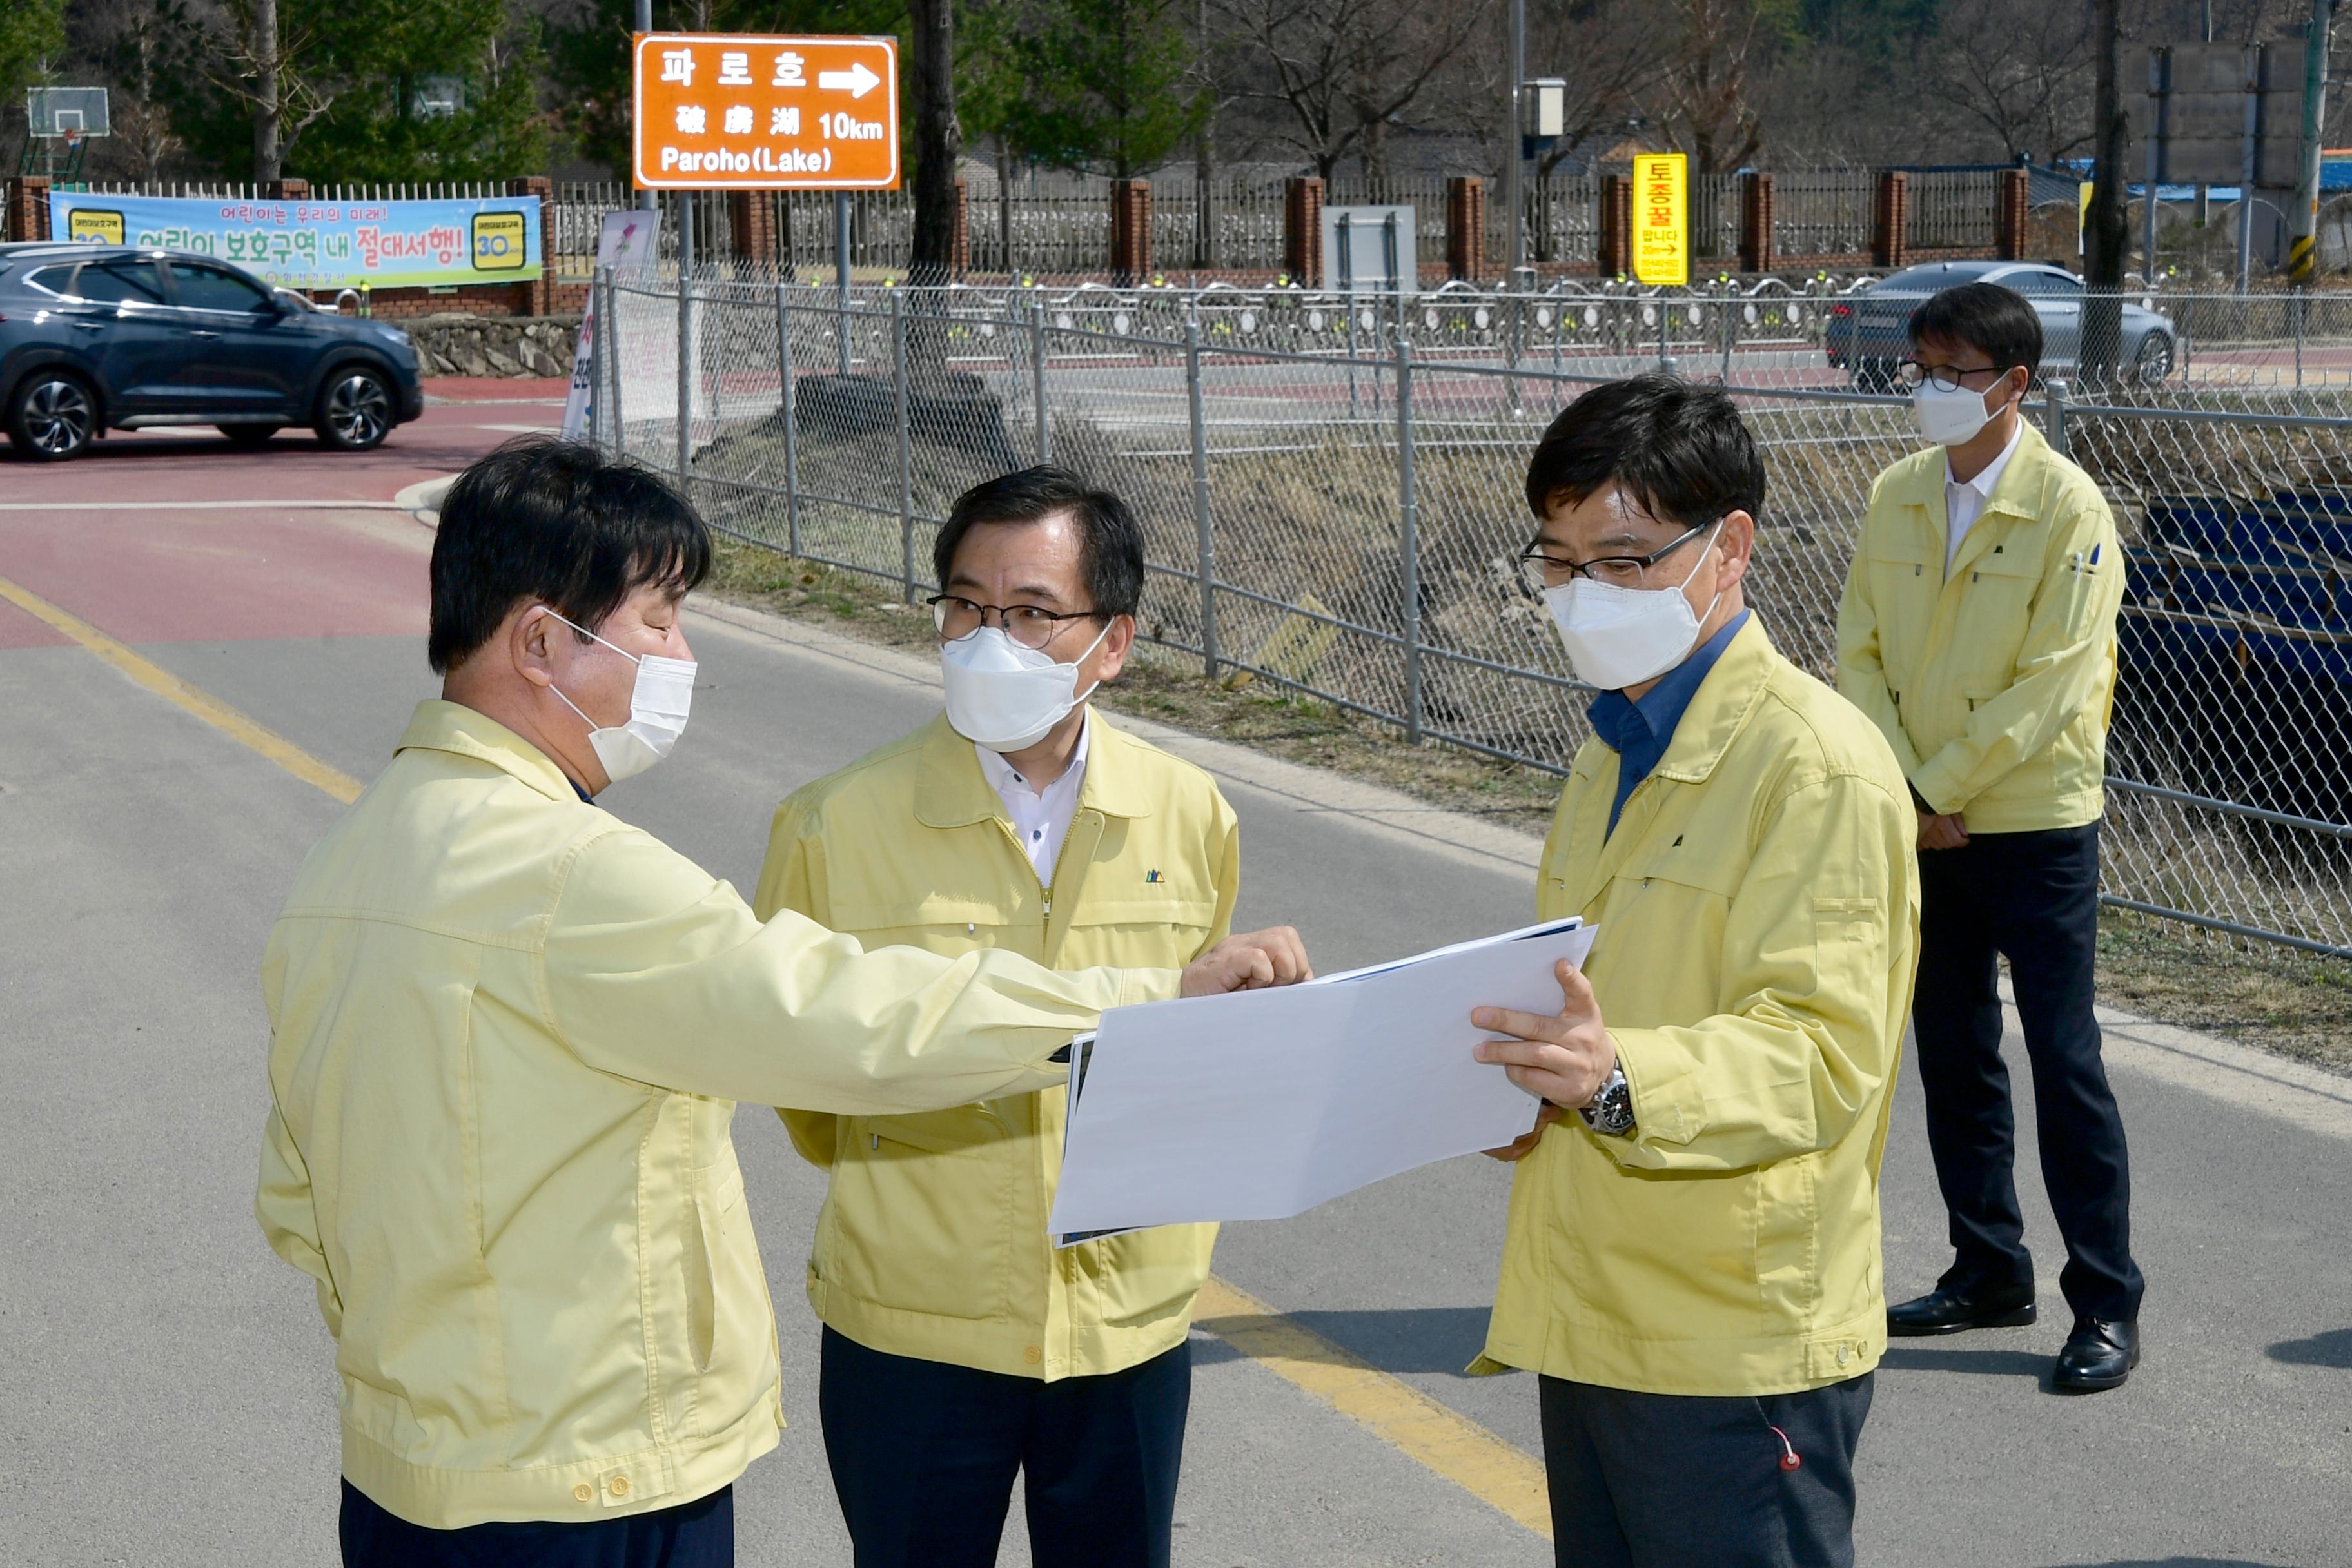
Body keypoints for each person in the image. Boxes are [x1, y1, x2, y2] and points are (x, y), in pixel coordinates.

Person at [253, 438, 1308, 1567]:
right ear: (544, 643)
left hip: (419, 1464)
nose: (680, 653)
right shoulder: (576, 873)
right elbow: (848, 1022)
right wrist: (1148, 1000)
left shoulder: (348, 860)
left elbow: (296, 1187)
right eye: (659, 620)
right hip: (590, 1474)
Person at [752, 467, 1245, 1568]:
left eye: (1031, 613)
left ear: (1112, 642)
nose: (990, 638)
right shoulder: (834, 822)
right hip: (914, 1328)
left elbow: (1193, 1044)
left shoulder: (1190, 813)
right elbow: (807, 1086)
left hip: (1127, 1327)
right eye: (967, 606)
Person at [1468, 375, 1918, 1568]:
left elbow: (1821, 1056)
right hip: (1599, 1309)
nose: (1583, 596)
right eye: (1559, 563)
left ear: (1731, 547)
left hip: (1733, 1336)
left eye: (1623, 560)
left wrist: (1615, 1078)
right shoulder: (1610, 740)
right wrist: (1529, 1078)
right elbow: (1596, 991)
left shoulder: (1815, 766)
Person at [1835, 282, 2140, 1391]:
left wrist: (1944, 788)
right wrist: (1904, 788)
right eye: (1921, 371)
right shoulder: (1898, 494)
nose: (1929, 394)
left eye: (1953, 375)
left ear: (2015, 385)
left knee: (2063, 1061)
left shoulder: (2071, 509)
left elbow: (2057, 686)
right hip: (1918, 821)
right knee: (1950, 1051)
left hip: (2030, 824)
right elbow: (1857, 649)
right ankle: (1987, 1269)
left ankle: (2103, 1301)